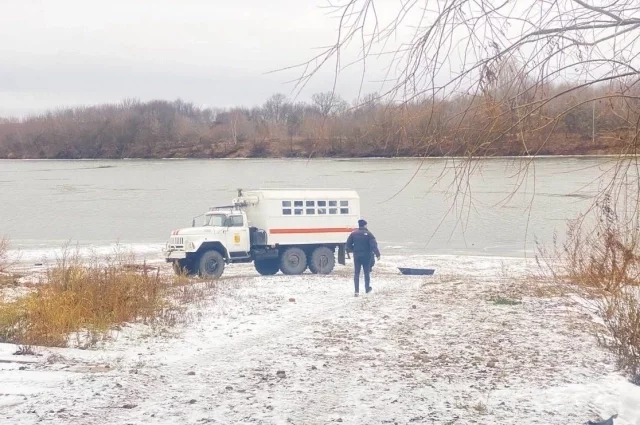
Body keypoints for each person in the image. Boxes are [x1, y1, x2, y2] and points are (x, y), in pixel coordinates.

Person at [346, 219, 381, 296]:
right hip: (366, 256)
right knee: (366, 273)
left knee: (357, 273)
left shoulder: (353, 234)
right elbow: (373, 245)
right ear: (365, 225)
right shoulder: (369, 234)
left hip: (357, 256)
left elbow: (348, 245)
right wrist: (377, 254)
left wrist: (354, 250)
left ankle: (356, 291)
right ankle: (367, 288)